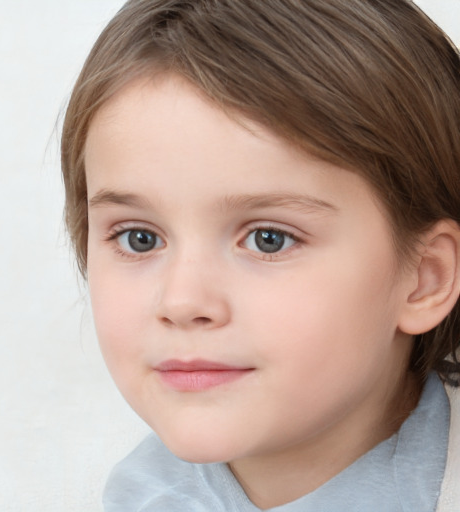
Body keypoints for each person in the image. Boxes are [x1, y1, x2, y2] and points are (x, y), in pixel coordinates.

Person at [61, 0, 460, 510]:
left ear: (425, 278)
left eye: (268, 238)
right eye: (140, 238)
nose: (182, 301)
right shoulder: (140, 495)